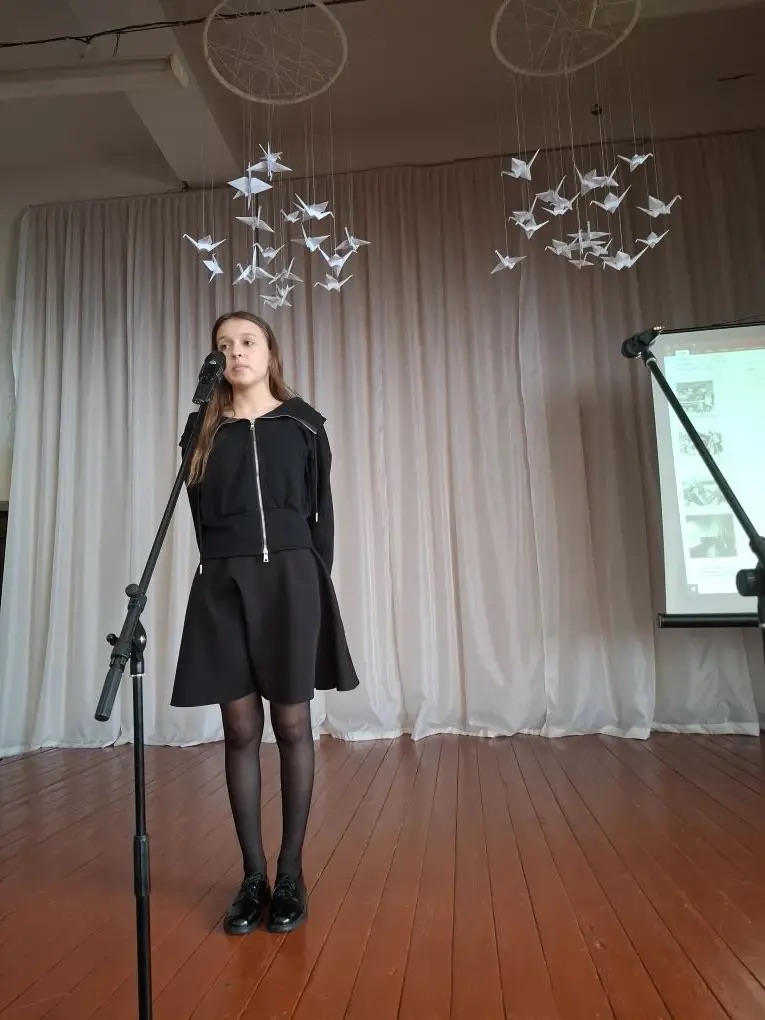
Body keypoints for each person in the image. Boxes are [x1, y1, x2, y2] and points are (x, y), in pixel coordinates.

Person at [170, 310, 359, 936]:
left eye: (247, 341)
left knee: (292, 722)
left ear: (269, 351)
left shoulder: (304, 424)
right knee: (240, 727)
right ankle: (252, 877)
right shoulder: (203, 430)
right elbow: (198, 517)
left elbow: (321, 512)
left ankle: (290, 873)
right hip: (223, 581)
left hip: (293, 581)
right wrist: (223, 568)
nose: (235, 352)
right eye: (224, 345)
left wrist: (310, 581)